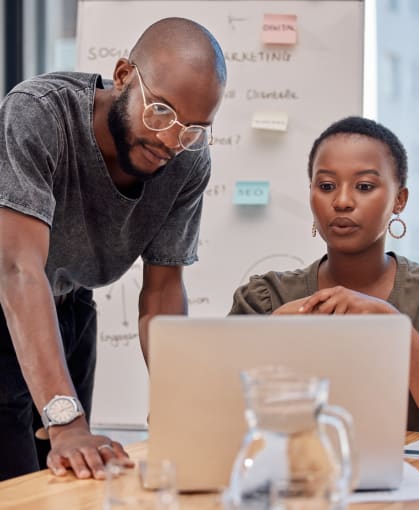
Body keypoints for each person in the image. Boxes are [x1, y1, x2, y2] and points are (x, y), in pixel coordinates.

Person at [0, 17, 226, 481]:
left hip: (69, 311)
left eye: (192, 129)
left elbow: (163, 292)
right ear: (123, 75)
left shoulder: (187, 158)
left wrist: (173, 406)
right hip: (8, 304)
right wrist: (66, 420)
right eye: (160, 111)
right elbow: (18, 270)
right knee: (17, 483)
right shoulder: (39, 114)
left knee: (69, 480)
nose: (169, 139)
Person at [230, 116, 419, 435]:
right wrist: (272, 331)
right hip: (297, 477)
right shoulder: (267, 296)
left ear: (399, 200)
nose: (342, 201)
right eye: (327, 186)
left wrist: (390, 323)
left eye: (364, 186)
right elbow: (219, 408)